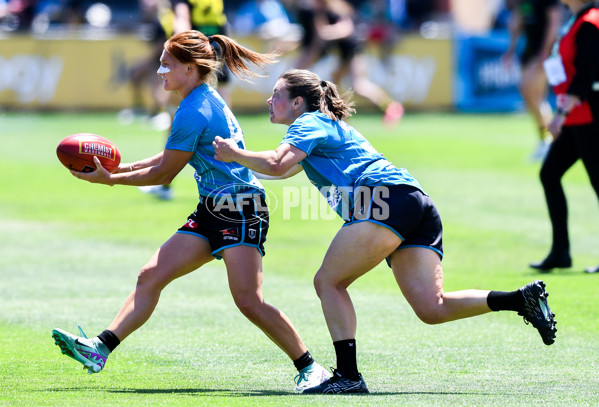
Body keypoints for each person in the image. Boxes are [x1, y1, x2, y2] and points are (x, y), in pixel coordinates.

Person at [212, 68, 558, 394]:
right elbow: (280, 170)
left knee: (328, 282)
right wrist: (237, 163)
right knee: (432, 308)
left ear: (298, 102)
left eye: (277, 95)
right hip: (414, 201)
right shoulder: (321, 127)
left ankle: (348, 376)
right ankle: (519, 299)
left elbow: (276, 162)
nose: (269, 102)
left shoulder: (309, 123)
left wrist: (233, 152)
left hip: (385, 199)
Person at [51, 31, 330, 392]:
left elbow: (165, 173)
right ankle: (100, 347)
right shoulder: (195, 101)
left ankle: (311, 368)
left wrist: (109, 181)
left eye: (167, 63)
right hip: (214, 208)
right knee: (149, 275)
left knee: (248, 301)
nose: (160, 70)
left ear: (189, 67)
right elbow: (166, 158)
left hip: (239, 209)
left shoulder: (194, 109)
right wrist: (116, 170)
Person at [529, 0, 599, 273]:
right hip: (576, 117)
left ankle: (561, 252)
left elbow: (587, 74)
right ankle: (560, 253)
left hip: (590, 116)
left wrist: (560, 114)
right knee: (549, 174)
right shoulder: (575, 19)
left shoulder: (591, 21)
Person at [293, 0, 404, 126]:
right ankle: (340, 117)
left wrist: (328, 33)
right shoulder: (322, 11)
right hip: (343, 54)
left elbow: (346, 29)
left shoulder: (336, 9)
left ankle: (391, 106)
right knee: (334, 86)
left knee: (359, 86)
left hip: (353, 51)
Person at [503, 0, 563, 161]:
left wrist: (545, 52)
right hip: (528, 53)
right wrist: (511, 50)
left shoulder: (547, 3)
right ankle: (545, 140)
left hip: (542, 54)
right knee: (528, 96)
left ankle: (551, 141)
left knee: (534, 95)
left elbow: (553, 24)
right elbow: (517, 23)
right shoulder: (523, 2)